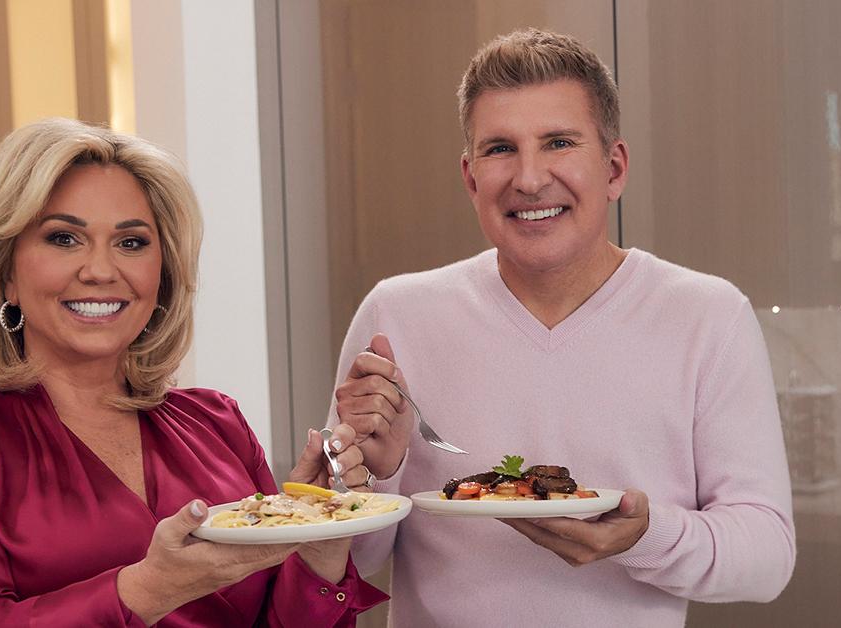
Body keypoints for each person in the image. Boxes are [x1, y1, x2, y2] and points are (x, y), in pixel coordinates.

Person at [330, 29, 796, 626]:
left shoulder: (708, 316)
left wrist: (646, 536)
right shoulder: (395, 316)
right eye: (500, 148)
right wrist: (375, 475)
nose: (529, 178)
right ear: (471, 178)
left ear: (614, 167)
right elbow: (348, 566)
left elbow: (766, 557)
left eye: (558, 142)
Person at [0, 118, 386, 627]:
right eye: (63, 238)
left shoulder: (217, 423)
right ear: (5, 271)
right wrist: (148, 588)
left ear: (162, 275)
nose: (101, 270)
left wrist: (316, 544)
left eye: (130, 243)